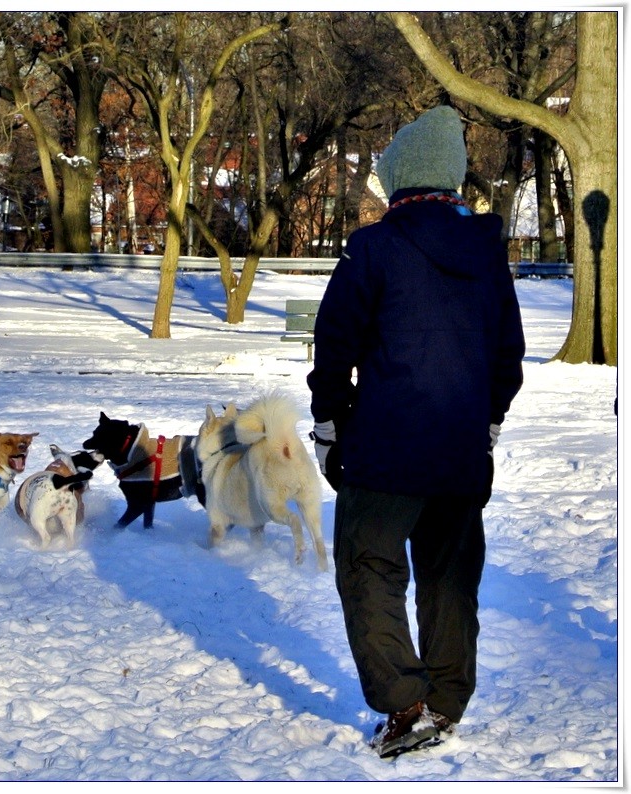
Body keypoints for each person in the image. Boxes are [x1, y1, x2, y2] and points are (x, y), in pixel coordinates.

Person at [306, 105, 525, 759]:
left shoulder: (376, 246)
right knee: (448, 574)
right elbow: (507, 356)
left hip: (386, 450)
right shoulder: (488, 255)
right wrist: (485, 424)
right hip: (459, 452)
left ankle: (406, 705)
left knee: (369, 565)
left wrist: (328, 422)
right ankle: (447, 702)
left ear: (400, 175)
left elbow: (334, 342)